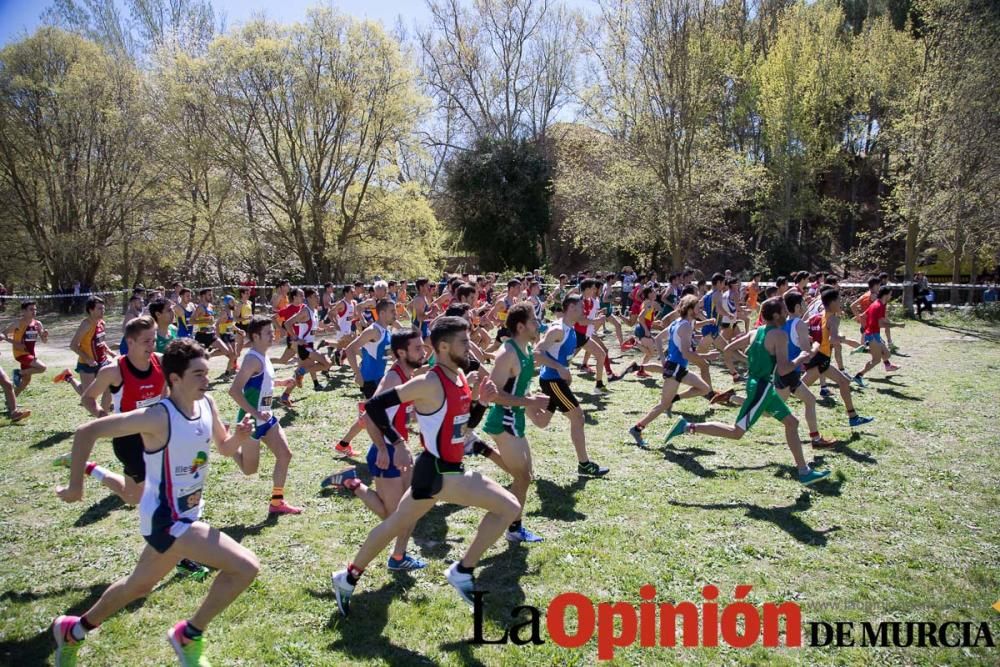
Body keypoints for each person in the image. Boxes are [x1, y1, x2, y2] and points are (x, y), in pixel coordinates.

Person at [52, 339, 260, 667]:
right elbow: (86, 432)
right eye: (198, 374)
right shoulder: (156, 417)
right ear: (174, 379)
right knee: (246, 566)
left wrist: (241, 439)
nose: (206, 380)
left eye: (207, 373)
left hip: (187, 514)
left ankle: (73, 630)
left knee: (138, 586)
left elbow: (222, 447)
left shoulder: (208, 404)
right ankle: (188, 635)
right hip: (166, 518)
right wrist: (76, 486)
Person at [330, 317, 520, 614]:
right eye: (463, 342)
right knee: (509, 507)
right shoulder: (428, 381)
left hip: (432, 472)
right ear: (443, 347)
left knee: (394, 524)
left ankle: (347, 577)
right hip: (442, 471)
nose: (470, 347)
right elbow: (374, 406)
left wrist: (481, 403)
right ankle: (462, 570)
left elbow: (463, 430)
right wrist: (396, 443)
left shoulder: (458, 378)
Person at [664, 297, 832, 486]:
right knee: (736, 432)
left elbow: (728, 349)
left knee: (792, 422)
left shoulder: (756, 331)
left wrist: (748, 361)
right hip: (761, 387)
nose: (786, 313)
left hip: (760, 385)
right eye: (784, 311)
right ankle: (686, 426)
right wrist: (802, 356)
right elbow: (785, 369)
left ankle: (804, 471)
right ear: (776, 315)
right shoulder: (779, 336)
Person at [321, 329, 429, 571]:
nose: (424, 352)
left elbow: (394, 413)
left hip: (400, 449)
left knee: (408, 511)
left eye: (423, 347)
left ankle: (399, 557)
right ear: (401, 353)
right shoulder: (393, 378)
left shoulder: (408, 375)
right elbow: (370, 413)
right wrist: (382, 447)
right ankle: (353, 483)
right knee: (395, 518)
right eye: (418, 348)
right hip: (387, 453)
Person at [482, 303, 551, 543]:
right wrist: (531, 402)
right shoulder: (507, 353)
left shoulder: (527, 349)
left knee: (525, 475)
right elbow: (492, 394)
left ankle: (481, 449)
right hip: (504, 420)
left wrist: (532, 406)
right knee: (522, 477)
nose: (538, 324)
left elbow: (520, 385)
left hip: (517, 418)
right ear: (520, 327)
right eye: (534, 321)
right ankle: (512, 527)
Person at [228, 316, 303, 516]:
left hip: (267, 418)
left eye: (273, 331)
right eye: (268, 333)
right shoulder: (252, 359)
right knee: (249, 469)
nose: (274, 335)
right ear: (255, 336)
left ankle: (277, 503)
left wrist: (280, 383)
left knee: (285, 454)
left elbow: (262, 383)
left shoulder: (264, 356)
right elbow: (234, 391)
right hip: (251, 421)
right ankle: (227, 443)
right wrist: (254, 413)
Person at [533, 295, 610, 477]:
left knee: (543, 422)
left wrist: (564, 369)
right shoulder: (558, 329)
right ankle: (584, 465)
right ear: (571, 307)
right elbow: (537, 352)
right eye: (581, 306)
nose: (584, 309)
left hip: (555, 381)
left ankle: (527, 404)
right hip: (552, 381)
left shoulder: (571, 329)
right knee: (578, 417)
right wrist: (559, 368)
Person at [333, 300, 397, 456]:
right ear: (382, 313)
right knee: (380, 416)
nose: (395, 314)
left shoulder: (386, 331)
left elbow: (376, 353)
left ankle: (343, 444)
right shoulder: (373, 330)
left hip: (378, 378)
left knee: (370, 416)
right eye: (392, 311)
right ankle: (384, 451)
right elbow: (350, 349)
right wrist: (358, 374)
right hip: (369, 380)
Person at [55, 296, 115, 411]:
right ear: (91, 310)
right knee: (87, 394)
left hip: (102, 361)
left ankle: (103, 418)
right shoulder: (86, 325)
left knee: (109, 387)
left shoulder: (102, 323)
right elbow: (73, 345)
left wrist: (110, 352)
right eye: (99, 309)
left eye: (103, 308)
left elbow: (101, 342)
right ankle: (69, 377)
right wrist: (87, 359)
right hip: (87, 363)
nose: (102, 311)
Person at [853, 286, 904, 387]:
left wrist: (865, 328)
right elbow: (881, 324)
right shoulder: (879, 306)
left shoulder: (878, 303)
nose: (891, 295)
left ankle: (866, 349)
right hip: (872, 335)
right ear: (886, 295)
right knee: (876, 360)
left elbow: (863, 316)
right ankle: (858, 376)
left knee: (887, 354)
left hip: (873, 334)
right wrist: (897, 325)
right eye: (890, 294)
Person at [5, 301, 49, 396]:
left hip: (31, 353)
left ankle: (11, 401)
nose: (34, 311)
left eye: (35, 309)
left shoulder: (38, 324)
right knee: (42, 367)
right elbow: (3, 334)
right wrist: (15, 343)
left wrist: (45, 336)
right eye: (31, 309)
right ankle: (19, 373)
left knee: (26, 381)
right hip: (20, 353)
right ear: (23, 311)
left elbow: (44, 341)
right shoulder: (18, 323)